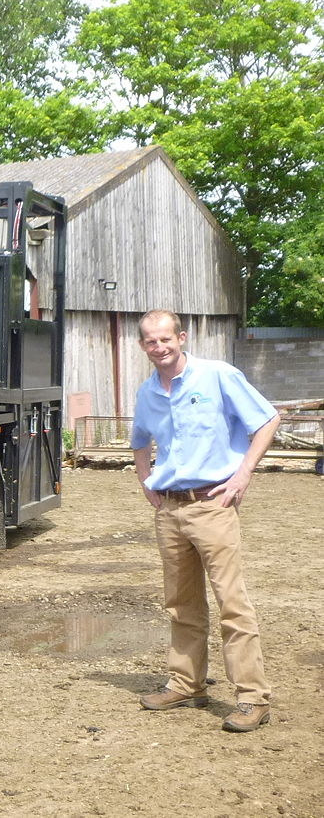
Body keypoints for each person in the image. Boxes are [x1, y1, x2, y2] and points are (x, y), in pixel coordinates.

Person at [131, 309, 279, 732]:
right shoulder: (147, 393)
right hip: (170, 509)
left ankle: (253, 698)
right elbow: (140, 441)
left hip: (212, 504)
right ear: (143, 346)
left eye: (165, 339)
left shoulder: (217, 375)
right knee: (181, 603)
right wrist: (146, 481)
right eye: (150, 341)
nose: (159, 347)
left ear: (182, 337)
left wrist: (243, 472)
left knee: (232, 603)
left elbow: (268, 419)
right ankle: (185, 684)